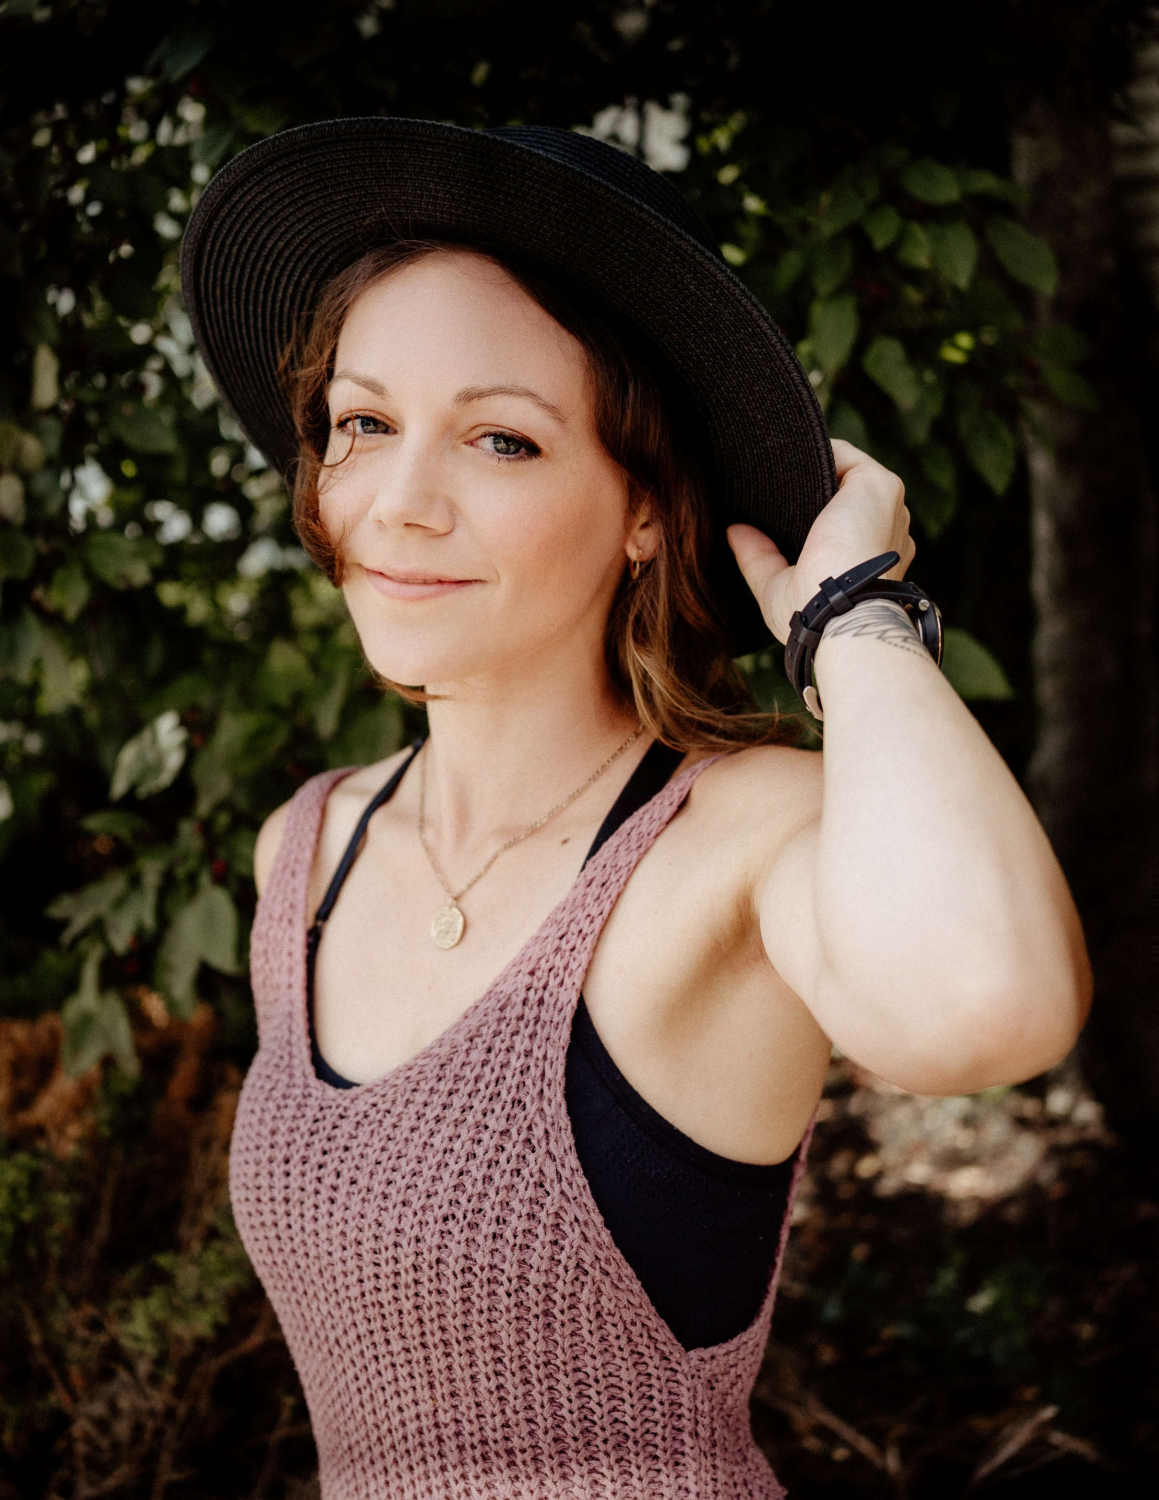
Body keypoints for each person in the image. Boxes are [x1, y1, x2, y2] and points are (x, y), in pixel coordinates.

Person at [182, 118, 1091, 1500]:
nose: (400, 503)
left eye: (500, 439)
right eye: (363, 424)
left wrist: (856, 622)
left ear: (646, 510)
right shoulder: (305, 845)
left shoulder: (737, 841)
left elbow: (993, 1006)